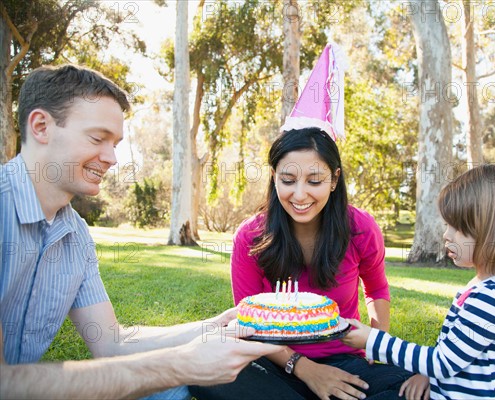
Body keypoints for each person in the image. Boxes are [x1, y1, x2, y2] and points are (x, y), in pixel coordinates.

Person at [0, 64, 283, 400]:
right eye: (97, 138)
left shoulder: (74, 234)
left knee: (168, 388)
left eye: (115, 143)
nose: (112, 158)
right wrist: (180, 364)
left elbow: (112, 342)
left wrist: (215, 325)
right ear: (41, 126)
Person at [191, 127, 429, 400]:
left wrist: (376, 343)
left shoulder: (361, 229)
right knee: (207, 366)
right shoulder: (250, 237)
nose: (300, 195)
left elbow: (376, 289)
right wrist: (305, 369)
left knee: (414, 390)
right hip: (275, 363)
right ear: (273, 178)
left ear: (334, 179)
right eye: (288, 180)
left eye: (314, 181)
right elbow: (249, 324)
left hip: (345, 362)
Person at [342, 164, 495, 400]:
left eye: (458, 228)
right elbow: (453, 355)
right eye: (447, 225)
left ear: (494, 233)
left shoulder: (494, 298)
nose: (446, 235)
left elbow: (443, 362)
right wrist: (428, 375)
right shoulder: (485, 287)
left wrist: (373, 340)